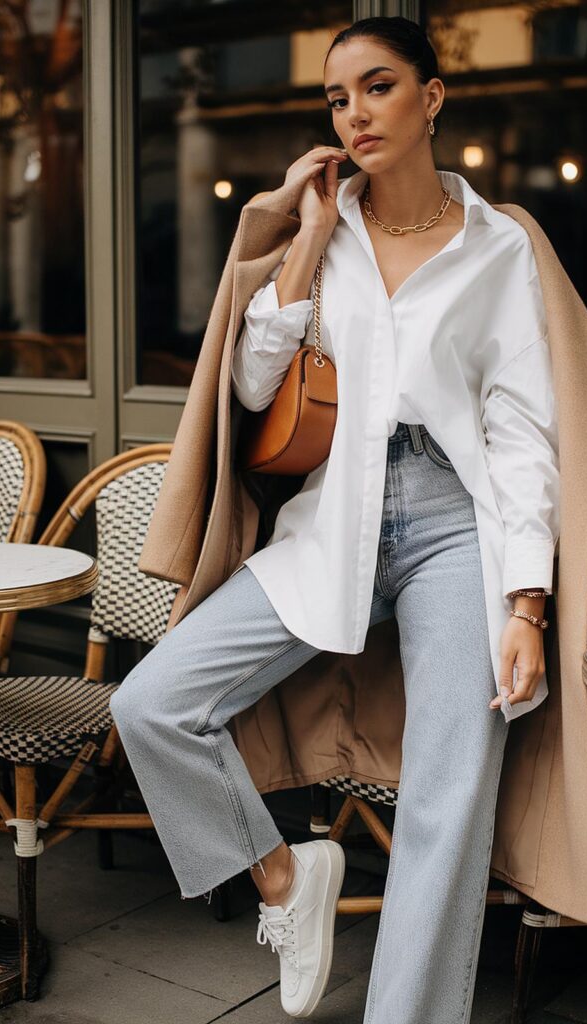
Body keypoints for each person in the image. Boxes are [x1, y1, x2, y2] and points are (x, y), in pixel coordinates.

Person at [110, 15, 559, 1024]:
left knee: (448, 801)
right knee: (151, 704)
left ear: (434, 98)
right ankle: (281, 872)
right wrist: (309, 242)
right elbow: (254, 380)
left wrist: (525, 599)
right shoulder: (325, 224)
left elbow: (524, 428)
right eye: (337, 96)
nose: (355, 112)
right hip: (334, 516)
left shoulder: (499, 246)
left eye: (380, 85)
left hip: (455, 521)